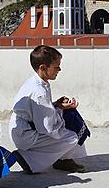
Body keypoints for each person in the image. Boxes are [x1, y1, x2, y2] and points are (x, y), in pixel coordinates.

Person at [9, 45, 87, 174]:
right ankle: (31, 160)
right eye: (56, 67)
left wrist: (57, 106)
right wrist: (63, 121)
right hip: (26, 134)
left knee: (69, 122)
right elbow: (46, 128)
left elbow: (41, 110)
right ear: (43, 68)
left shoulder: (37, 82)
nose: (59, 69)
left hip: (22, 128)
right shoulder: (38, 91)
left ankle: (62, 158)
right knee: (72, 136)